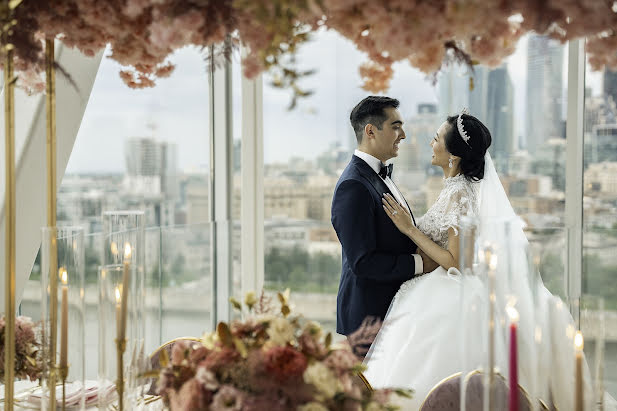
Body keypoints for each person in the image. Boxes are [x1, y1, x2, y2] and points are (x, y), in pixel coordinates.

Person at [363, 109, 595, 410]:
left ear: (453, 155)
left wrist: (410, 229)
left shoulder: (460, 193)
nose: (430, 144)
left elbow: (456, 260)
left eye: (435, 139)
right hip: (436, 285)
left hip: (447, 288)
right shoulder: (456, 189)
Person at [331, 96, 438, 339]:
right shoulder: (353, 185)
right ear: (371, 131)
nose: (403, 135)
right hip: (369, 320)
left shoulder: (376, 176)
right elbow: (363, 262)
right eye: (396, 126)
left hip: (393, 312)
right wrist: (421, 264)